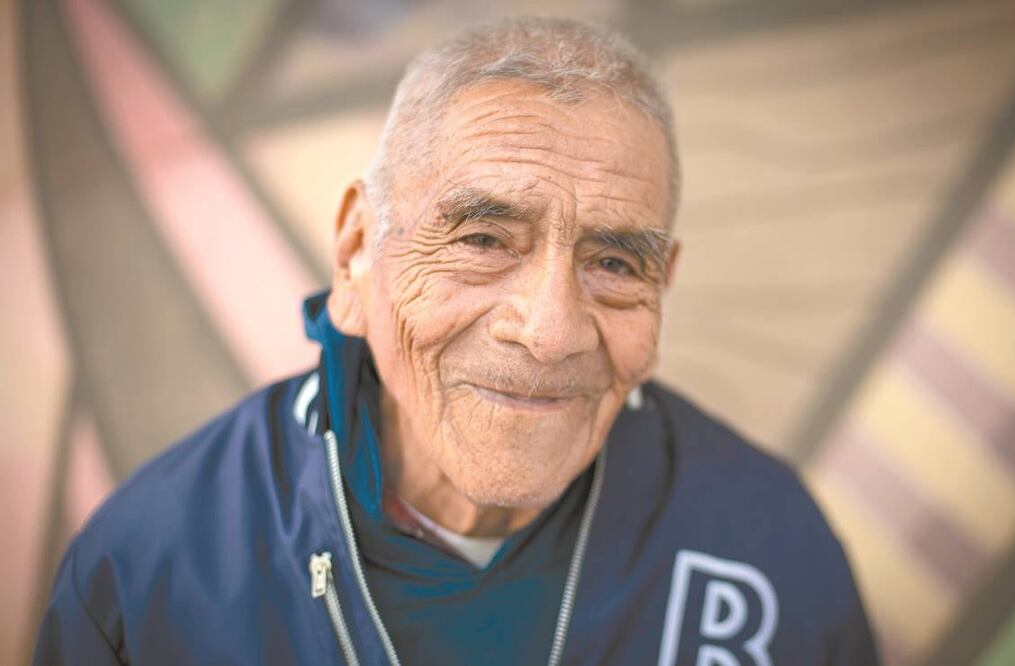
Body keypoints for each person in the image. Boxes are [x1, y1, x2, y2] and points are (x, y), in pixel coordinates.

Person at [34, 17, 878, 666]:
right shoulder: (155, 564)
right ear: (357, 252)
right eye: (482, 239)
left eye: (615, 262)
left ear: (662, 287)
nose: (548, 332)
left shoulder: (766, 543)